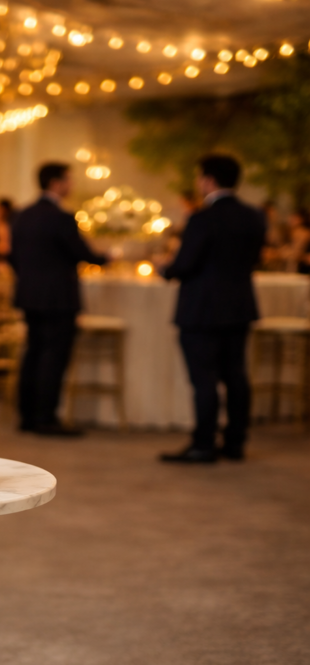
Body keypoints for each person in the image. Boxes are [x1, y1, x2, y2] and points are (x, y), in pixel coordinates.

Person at [159, 154, 266, 463]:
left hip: (202, 309)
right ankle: (235, 442)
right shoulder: (254, 216)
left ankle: (203, 444)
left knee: (203, 379)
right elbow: (254, 257)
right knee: (236, 375)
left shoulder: (201, 218)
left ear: (207, 180)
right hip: (239, 306)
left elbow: (185, 265)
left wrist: (164, 269)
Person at [9, 162, 108, 436]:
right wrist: (107, 257)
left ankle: (27, 415)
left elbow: (14, 257)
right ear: (56, 182)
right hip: (58, 298)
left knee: (34, 351)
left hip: (29, 294)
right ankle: (46, 417)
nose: (71, 185)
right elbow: (81, 252)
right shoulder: (61, 217)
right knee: (54, 355)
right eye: (68, 180)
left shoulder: (21, 215)